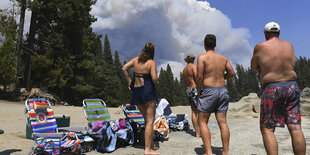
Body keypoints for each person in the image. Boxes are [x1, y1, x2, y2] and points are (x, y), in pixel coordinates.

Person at [251, 22, 306, 155]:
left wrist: (265, 71)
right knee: (295, 127)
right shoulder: (289, 46)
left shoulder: (260, 46)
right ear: (279, 33)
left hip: (272, 88)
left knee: (268, 128)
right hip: (291, 86)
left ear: (265, 33)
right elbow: (292, 64)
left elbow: (254, 66)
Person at [196, 34, 235, 155]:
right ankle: (225, 152)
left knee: (202, 121)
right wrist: (222, 77)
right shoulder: (223, 58)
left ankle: (208, 152)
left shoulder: (202, 57)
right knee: (222, 122)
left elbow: (199, 76)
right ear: (215, 44)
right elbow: (232, 73)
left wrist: (199, 89)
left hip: (208, 90)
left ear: (204, 44)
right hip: (222, 90)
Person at [122, 42, 160, 155]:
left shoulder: (136, 60)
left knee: (146, 120)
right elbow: (154, 79)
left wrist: (129, 82)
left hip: (137, 91)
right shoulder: (151, 63)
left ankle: (151, 144)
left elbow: (124, 68)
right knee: (149, 121)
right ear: (152, 52)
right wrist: (157, 77)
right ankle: (147, 150)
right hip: (148, 92)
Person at [182, 53, 200, 137]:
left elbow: (185, 82)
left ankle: (197, 132)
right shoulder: (193, 66)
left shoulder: (184, 69)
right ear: (192, 59)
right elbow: (197, 77)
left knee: (193, 111)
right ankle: (203, 132)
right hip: (195, 89)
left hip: (188, 90)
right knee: (201, 111)